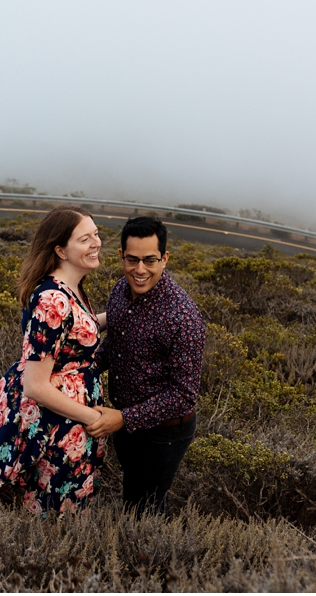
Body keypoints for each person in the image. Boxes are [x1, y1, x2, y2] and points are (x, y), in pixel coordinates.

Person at [0, 206, 106, 515]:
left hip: (64, 416)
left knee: (50, 503)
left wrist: (113, 317)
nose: (96, 243)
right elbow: (35, 385)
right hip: (53, 417)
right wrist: (91, 418)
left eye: (96, 234)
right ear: (60, 250)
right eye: (85, 238)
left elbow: (74, 332)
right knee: (52, 508)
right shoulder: (53, 300)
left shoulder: (70, 289)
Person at [86, 216, 206, 517]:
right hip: (126, 424)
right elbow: (115, 343)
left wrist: (124, 418)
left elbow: (183, 396)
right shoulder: (119, 291)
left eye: (150, 260)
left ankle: (161, 559)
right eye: (132, 260)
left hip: (163, 434)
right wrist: (84, 368)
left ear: (164, 259)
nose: (140, 270)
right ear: (121, 257)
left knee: (145, 508)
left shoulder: (183, 317)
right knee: (136, 496)